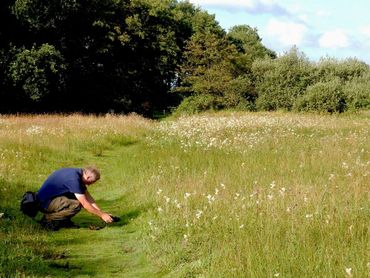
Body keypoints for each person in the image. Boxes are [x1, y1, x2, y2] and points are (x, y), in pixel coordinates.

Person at [37, 166, 113, 230]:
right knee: (76, 205)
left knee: (78, 198)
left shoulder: (78, 173)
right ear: (88, 177)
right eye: (92, 182)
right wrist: (102, 215)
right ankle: (48, 220)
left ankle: (63, 221)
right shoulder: (74, 179)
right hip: (44, 203)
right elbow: (85, 204)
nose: (90, 184)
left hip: (49, 199)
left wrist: (101, 213)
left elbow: (88, 197)